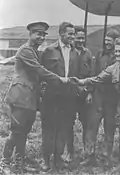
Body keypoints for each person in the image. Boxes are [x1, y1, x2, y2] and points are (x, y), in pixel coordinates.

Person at [70, 37, 120, 173]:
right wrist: (83, 82)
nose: (118, 54)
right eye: (116, 51)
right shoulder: (113, 68)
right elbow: (98, 78)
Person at [1, 22, 68, 174]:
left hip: (30, 99)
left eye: (44, 34)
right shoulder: (26, 51)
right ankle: (4, 162)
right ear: (30, 34)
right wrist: (60, 79)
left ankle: (18, 164)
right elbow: (39, 70)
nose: (41, 37)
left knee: (23, 132)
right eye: (38, 33)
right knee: (17, 131)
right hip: (20, 97)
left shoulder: (35, 52)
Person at [40, 22, 78, 170]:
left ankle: (58, 158)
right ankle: (46, 160)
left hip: (68, 97)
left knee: (63, 128)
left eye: (73, 34)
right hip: (51, 97)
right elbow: (42, 73)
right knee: (49, 128)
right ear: (61, 34)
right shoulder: (49, 51)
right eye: (70, 34)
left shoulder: (75, 52)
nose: (72, 37)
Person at [80, 29, 120, 166]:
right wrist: (90, 92)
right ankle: (89, 155)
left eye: (110, 40)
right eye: (106, 40)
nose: (107, 43)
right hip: (98, 96)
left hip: (112, 98)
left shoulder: (119, 57)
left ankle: (105, 156)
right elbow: (93, 73)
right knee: (92, 126)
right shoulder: (99, 54)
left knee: (110, 127)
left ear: (116, 42)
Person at [73, 26, 95, 157]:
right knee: (68, 122)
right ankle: (67, 152)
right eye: (78, 37)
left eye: (83, 38)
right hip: (70, 92)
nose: (80, 40)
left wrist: (90, 92)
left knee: (87, 122)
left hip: (84, 92)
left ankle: (87, 152)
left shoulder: (88, 53)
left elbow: (92, 74)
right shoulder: (69, 52)